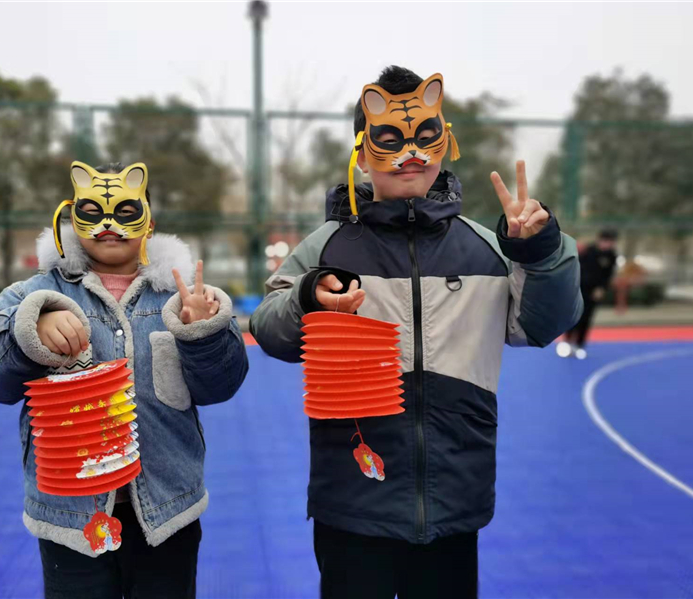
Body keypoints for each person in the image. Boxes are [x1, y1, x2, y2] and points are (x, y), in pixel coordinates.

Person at [250, 66, 583, 599]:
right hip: (353, 500)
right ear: (362, 154)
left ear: (444, 143)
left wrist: (541, 252)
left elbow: (543, 325)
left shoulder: (485, 248)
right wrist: (307, 298)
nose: (410, 153)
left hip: (454, 496)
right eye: (389, 139)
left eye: (425, 136)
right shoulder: (326, 247)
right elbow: (269, 330)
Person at [0, 161, 249, 599]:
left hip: (169, 513)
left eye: (126, 212)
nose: (109, 224)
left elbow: (222, 386)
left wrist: (203, 333)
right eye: (93, 211)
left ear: (150, 223)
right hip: (70, 518)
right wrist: (26, 326)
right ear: (72, 218)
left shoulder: (183, 297)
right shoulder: (33, 294)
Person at [557, 229, 618, 359]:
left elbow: (608, 275)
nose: (607, 244)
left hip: (593, 292)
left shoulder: (612, 256)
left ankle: (579, 345)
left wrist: (602, 288)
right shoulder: (588, 250)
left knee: (586, 318)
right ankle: (567, 342)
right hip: (578, 288)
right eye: (605, 241)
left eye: (610, 242)